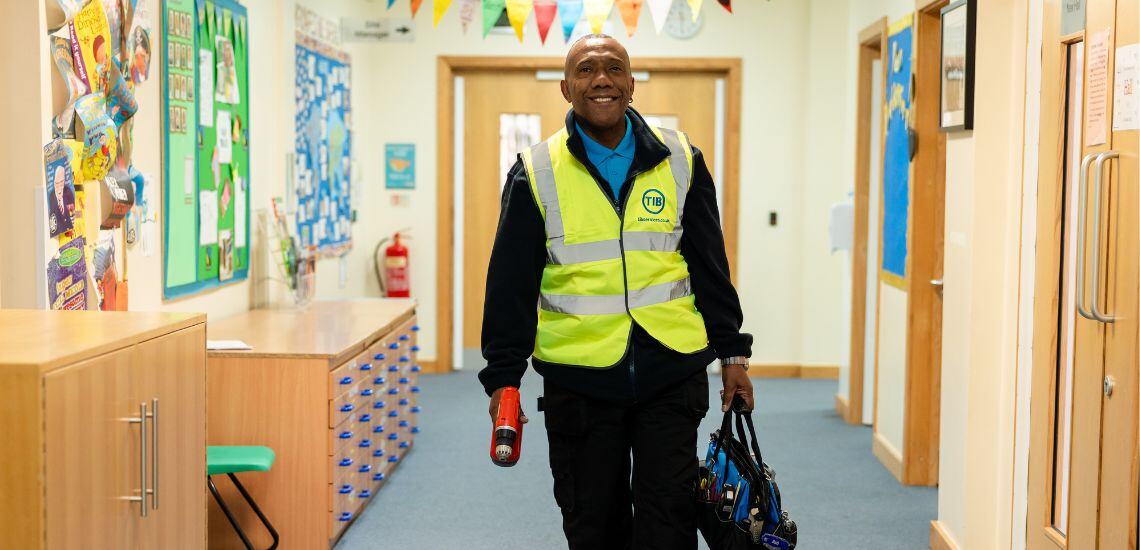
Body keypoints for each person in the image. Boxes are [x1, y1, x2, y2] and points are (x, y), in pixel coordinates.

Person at [479, 34, 754, 550]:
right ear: (566, 88)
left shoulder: (680, 159)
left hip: (671, 371)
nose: (600, 79)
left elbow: (710, 268)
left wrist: (733, 352)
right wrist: (503, 378)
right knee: (593, 523)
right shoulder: (536, 172)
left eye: (613, 68)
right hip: (580, 382)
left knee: (669, 520)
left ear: (631, 84)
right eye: (585, 70)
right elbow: (509, 286)